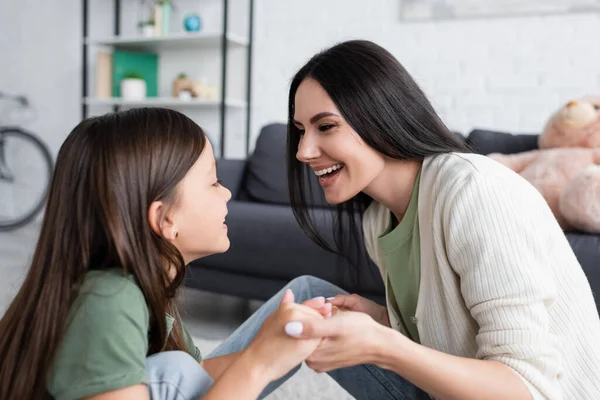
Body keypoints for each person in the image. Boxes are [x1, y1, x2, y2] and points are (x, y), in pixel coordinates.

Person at [280, 39, 600, 400]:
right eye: (300, 130)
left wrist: (384, 346)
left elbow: (525, 388)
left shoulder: (476, 191)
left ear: (378, 116)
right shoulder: (378, 219)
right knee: (309, 298)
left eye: (325, 126)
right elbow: (453, 334)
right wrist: (386, 323)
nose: (303, 152)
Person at [0, 108, 335, 400]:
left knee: (185, 368)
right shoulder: (107, 300)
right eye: (213, 182)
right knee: (176, 370)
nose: (228, 192)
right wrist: (258, 364)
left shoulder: (137, 291)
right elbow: (183, 380)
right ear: (165, 218)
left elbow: (199, 376)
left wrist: (273, 346)